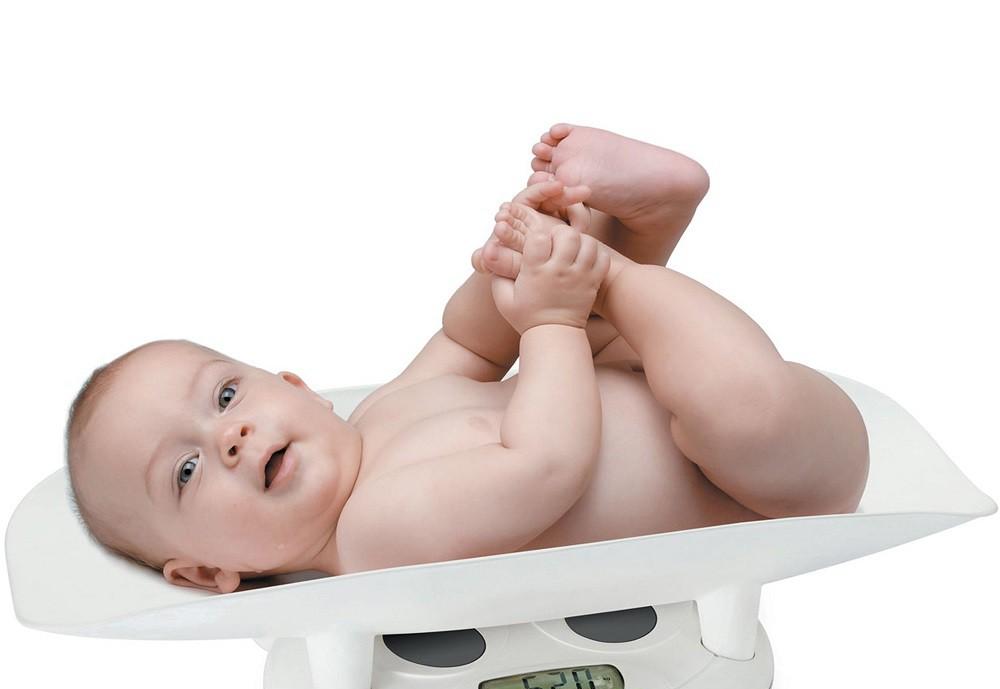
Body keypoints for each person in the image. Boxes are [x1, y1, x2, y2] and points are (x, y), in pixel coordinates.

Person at [65, 122, 869, 594]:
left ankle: (628, 223)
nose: (230, 439)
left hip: (650, 373)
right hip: (775, 481)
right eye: (185, 471)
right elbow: (546, 464)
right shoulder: (373, 538)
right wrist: (551, 315)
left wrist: (515, 253)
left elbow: (470, 341)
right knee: (738, 408)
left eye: (225, 396)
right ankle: (625, 255)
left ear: (296, 386)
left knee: (582, 317)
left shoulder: (381, 416)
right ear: (205, 572)